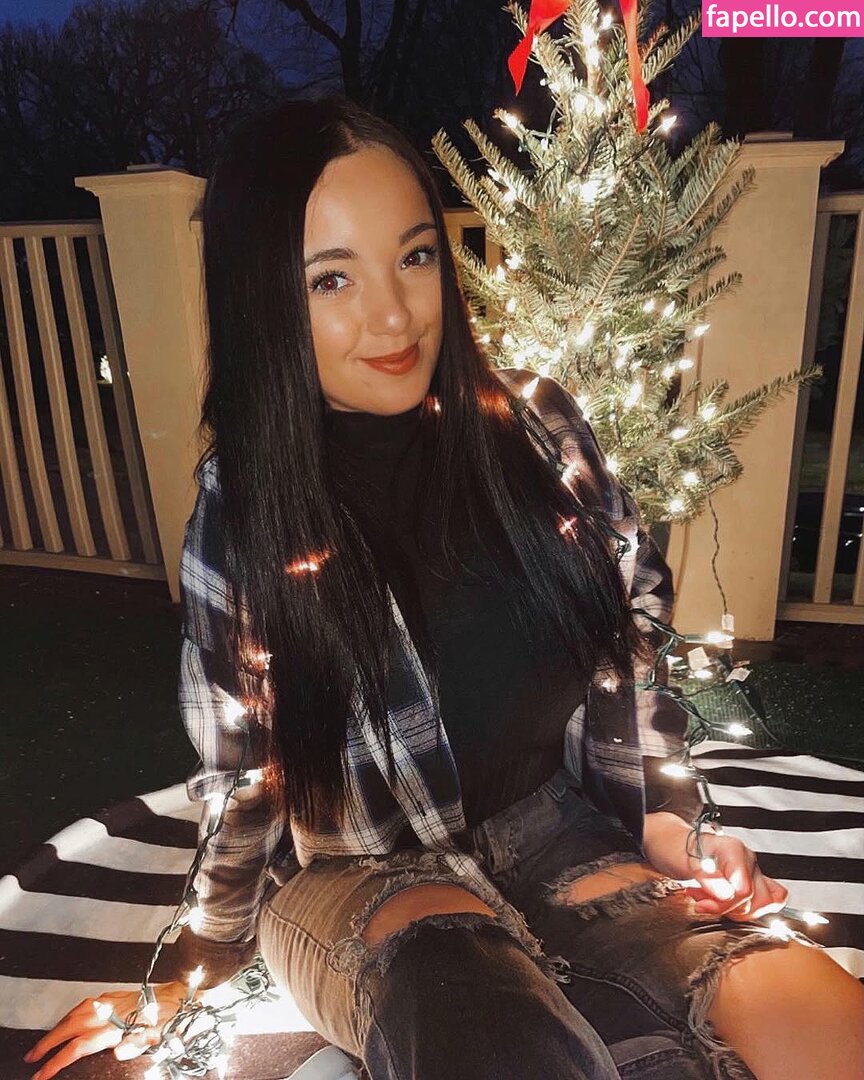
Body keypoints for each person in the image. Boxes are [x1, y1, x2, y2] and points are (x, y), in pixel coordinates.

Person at [24, 96, 864, 1080]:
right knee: (486, 1019)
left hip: (561, 833)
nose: (394, 315)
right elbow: (243, 775)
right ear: (263, 299)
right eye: (331, 278)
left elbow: (632, 652)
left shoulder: (541, 431)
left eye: (415, 256)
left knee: (805, 1006)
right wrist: (192, 963)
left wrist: (671, 822)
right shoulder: (245, 509)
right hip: (361, 873)